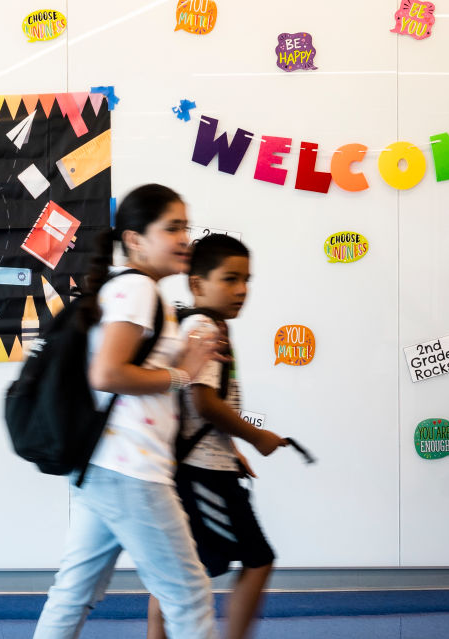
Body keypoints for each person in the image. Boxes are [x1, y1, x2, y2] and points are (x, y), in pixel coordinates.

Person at [33, 184, 220, 639]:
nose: (184, 239)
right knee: (189, 595)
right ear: (135, 239)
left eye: (186, 227)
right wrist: (182, 373)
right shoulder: (137, 289)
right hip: (133, 469)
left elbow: (128, 373)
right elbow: (108, 374)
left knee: (73, 594)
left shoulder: (132, 290)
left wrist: (179, 362)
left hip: (103, 468)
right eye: (172, 228)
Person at [147, 234, 289, 639]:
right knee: (257, 560)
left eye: (246, 280)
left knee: (181, 569)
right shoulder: (205, 328)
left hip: (204, 465)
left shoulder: (203, 323)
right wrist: (256, 438)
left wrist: (231, 449)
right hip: (203, 474)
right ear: (196, 283)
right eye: (230, 279)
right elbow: (204, 402)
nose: (242, 290)